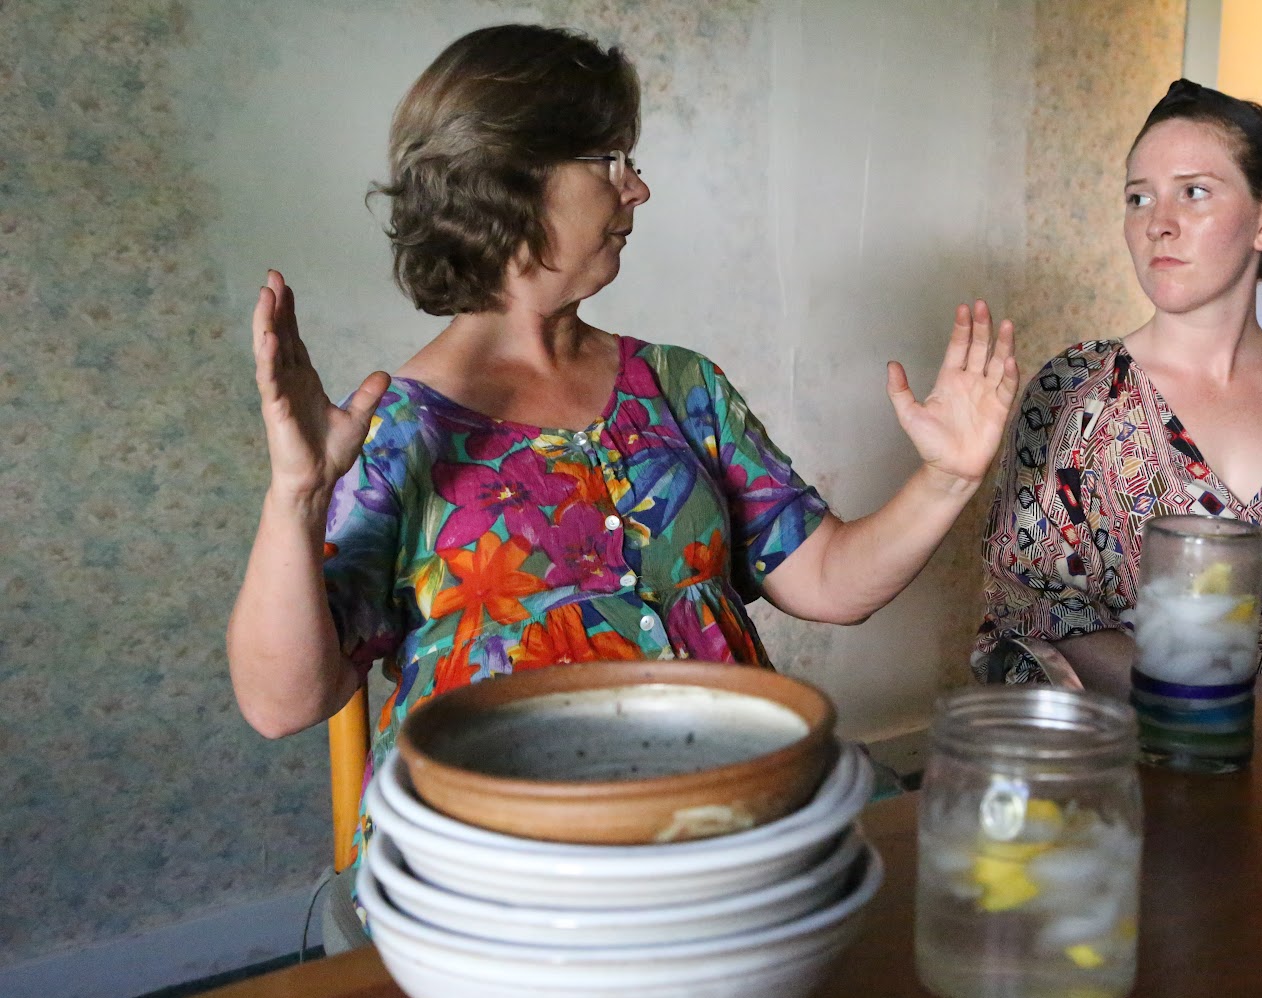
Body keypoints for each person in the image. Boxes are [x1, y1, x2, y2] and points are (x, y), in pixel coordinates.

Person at [226, 24, 1016, 882]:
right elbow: (282, 703)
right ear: (511, 177)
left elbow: (827, 580)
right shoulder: (400, 430)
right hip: (503, 864)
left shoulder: (679, 385)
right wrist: (297, 494)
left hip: (729, 819)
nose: (636, 188)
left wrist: (948, 477)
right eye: (608, 161)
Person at [974, 78, 1262, 699]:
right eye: (1139, 198)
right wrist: (1204, 705)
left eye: (1193, 192)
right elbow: (1034, 603)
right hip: (1128, 739)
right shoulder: (1075, 392)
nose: (1158, 225)